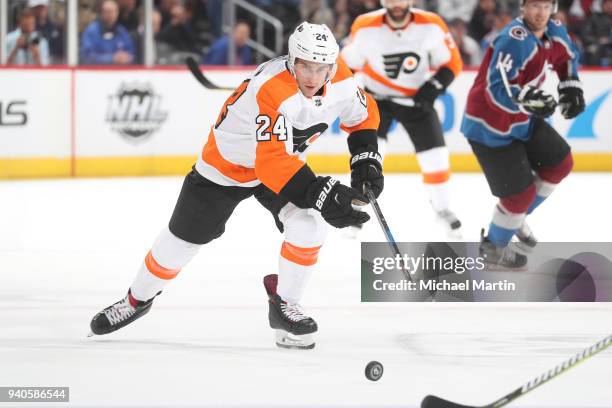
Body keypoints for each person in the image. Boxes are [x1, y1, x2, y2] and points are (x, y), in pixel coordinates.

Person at [89, 23, 383, 350]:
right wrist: (323, 194)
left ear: (332, 65)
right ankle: (135, 301)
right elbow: (269, 163)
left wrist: (366, 159)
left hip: (280, 166)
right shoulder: (271, 89)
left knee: (309, 226)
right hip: (225, 170)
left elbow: (363, 114)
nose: (313, 77)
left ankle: (284, 308)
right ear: (291, 59)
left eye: (321, 68)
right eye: (305, 67)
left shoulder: (340, 78)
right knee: (179, 245)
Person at [461, 0, 585, 268]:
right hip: (488, 125)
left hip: (523, 118)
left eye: (545, 6)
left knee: (560, 164)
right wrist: (525, 97)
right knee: (519, 196)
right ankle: (494, 247)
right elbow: (496, 89)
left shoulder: (555, 29)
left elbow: (567, 57)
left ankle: (510, 220)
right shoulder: (513, 40)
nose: (540, 13)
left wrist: (570, 86)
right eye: (534, 6)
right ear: (522, 8)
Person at [340, 0, 464, 238]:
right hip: (377, 100)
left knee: (435, 158)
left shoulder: (431, 24)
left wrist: (434, 86)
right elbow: (348, 64)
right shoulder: (365, 25)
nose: (397, 3)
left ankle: (442, 208)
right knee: (370, 155)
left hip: (416, 100)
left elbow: (452, 62)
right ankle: (356, 207)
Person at [80, 0, 135, 65]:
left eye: (113, 11)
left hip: (119, 72)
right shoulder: (91, 31)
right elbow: (87, 56)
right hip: (97, 72)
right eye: (107, 12)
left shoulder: (122, 31)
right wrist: (111, 58)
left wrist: (126, 57)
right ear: (101, 13)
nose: (110, 15)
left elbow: (131, 52)